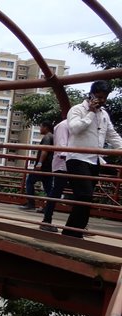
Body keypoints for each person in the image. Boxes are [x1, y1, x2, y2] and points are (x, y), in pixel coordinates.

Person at [62, 81, 122, 238]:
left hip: (94, 161)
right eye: (100, 97)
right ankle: (72, 232)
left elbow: (112, 134)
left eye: (105, 98)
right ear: (92, 94)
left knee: (85, 199)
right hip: (77, 159)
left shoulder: (103, 115)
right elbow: (74, 129)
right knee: (84, 196)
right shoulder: (77, 109)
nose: (102, 101)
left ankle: (74, 232)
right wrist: (89, 112)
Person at [40, 119, 70, 232]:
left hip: (68, 164)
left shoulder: (49, 136)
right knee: (55, 192)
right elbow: (59, 150)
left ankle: (78, 223)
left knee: (80, 194)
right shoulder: (63, 126)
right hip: (63, 165)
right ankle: (46, 220)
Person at [20, 121, 54, 210]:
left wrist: (39, 163)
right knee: (48, 188)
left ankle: (31, 204)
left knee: (29, 181)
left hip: (43, 166)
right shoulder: (52, 137)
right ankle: (48, 208)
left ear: (46, 127)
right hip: (49, 167)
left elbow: (44, 151)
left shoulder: (47, 137)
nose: (40, 129)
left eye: (41, 127)